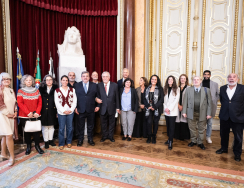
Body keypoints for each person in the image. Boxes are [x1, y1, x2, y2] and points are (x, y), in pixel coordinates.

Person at [216, 73, 244, 162]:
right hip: (224, 116)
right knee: (223, 134)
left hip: (238, 117)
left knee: (238, 137)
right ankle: (224, 148)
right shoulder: (223, 88)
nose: (231, 78)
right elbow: (223, 100)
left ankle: (237, 153)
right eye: (229, 77)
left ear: (237, 79)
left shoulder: (242, 88)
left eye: (234, 77)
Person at [182, 76, 212, 150]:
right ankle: (193, 141)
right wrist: (184, 112)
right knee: (192, 128)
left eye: (197, 79)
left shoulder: (206, 90)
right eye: (194, 80)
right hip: (191, 112)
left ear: (200, 81)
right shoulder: (188, 90)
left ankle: (200, 142)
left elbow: (209, 103)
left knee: (201, 129)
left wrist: (209, 113)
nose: (196, 81)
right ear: (192, 81)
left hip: (202, 113)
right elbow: (185, 101)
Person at [17, 74, 44, 155]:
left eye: (30, 80)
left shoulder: (37, 90)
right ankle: (28, 147)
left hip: (36, 115)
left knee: (36, 132)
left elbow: (40, 103)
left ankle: (37, 146)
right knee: (27, 132)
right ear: (24, 81)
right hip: (24, 115)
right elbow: (20, 103)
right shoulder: (20, 91)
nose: (28, 82)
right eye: (27, 80)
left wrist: (37, 112)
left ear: (32, 81)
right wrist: (28, 113)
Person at [75, 71, 99, 146]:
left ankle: (90, 139)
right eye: (83, 76)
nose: (85, 77)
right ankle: (80, 140)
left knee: (90, 126)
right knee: (80, 126)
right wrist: (75, 107)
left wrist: (98, 105)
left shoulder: (94, 85)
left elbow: (98, 96)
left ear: (89, 77)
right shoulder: (76, 85)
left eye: (87, 76)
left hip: (91, 109)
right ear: (81, 77)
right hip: (80, 109)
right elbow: (73, 97)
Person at [55, 75, 77, 150]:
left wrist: (71, 110)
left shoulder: (72, 90)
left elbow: (74, 101)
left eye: (66, 80)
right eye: (63, 80)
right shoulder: (57, 90)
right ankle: (61, 143)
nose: (65, 82)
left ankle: (69, 142)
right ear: (61, 81)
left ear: (68, 81)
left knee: (70, 128)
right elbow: (57, 103)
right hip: (61, 113)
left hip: (70, 112)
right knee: (61, 128)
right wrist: (63, 111)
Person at [0, 73, 18, 166]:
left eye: (8, 79)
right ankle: (12, 156)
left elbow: (15, 102)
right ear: (1, 80)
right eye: (4, 79)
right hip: (3, 116)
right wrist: (8, 114)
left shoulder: (11, 90)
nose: (6, 80)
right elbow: (0, 104)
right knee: (9, 135)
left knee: (5, 135)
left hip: (11, 115)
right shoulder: (0, 89)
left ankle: (3, 153)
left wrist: (15, 111)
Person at [97, 71, 120, 142]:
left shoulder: (115, 85)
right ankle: (104, 136)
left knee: (112, 123)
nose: (105, 78)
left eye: (106, 76)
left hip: (112, 108)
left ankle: (110, 136)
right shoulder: (99, 85)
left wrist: (118, 107)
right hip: (102, 108)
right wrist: (96, 100)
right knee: (103, 123)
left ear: (109, 77)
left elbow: (117, 97)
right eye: (103, 76)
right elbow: (97, 96)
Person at [39, 74, 58, 149]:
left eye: (50, 80)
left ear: (53, 81)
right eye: (47, 80)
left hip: (52, 110)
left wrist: (57, 111)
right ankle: (46, 141)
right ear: (45, 81)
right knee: (44, 127)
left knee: (51, 126)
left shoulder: (56, 89)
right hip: (43, 110)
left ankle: (51, 140)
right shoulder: (41, 89)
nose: (49, 81)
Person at [144, 75, 164, 144]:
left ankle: (154, 136)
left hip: (157, 108)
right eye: (152, 79)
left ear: (157, 81)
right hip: (148, 108)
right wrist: (147, 106)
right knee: (149, 122)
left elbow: (161, 100)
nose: (153, 80)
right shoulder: (147, 88)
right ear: (151, 80)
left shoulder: (160, 89)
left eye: (155, 79)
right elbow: (144, 98)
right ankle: (149, 136)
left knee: (155, 123)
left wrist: (154, 107)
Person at [201, 70, 219, 144]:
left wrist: (215, 100)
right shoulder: (199, 83)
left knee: (210, 123)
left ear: (210, 75)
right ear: (203, 75)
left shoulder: (215, 84)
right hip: (202, 106)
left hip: (211, 105)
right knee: (201, 122)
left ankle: (208, 137)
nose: (206, 76)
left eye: (208, 74)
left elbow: (218, 94)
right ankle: (200, 137)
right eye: (205, 74)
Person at [163, 76, 180, 150]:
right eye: (169, 79)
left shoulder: (177, 89)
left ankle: (170, 142)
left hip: (172, 111)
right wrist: (165, 108)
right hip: (166, 111)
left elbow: (176, 100)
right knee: (168, 126)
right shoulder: (165, 88)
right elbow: (163, 100)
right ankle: (169, 139)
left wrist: (169, 109)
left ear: (173, 81)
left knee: (172, 127)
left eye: (171, 79)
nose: (170, 80)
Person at [174, 74, 190, 141]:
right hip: (177, 106)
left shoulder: (189, 88)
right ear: (179, 80)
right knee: (177, 120)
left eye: (184, 78)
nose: (182, 79)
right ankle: (177, 135)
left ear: (186, 79)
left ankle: (184, 136)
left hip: (185, 107)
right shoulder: (176, 88)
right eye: (181, 78)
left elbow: (189, 99)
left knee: (184, 121)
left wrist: (183, 106)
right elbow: (174, 98)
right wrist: (179, 106)